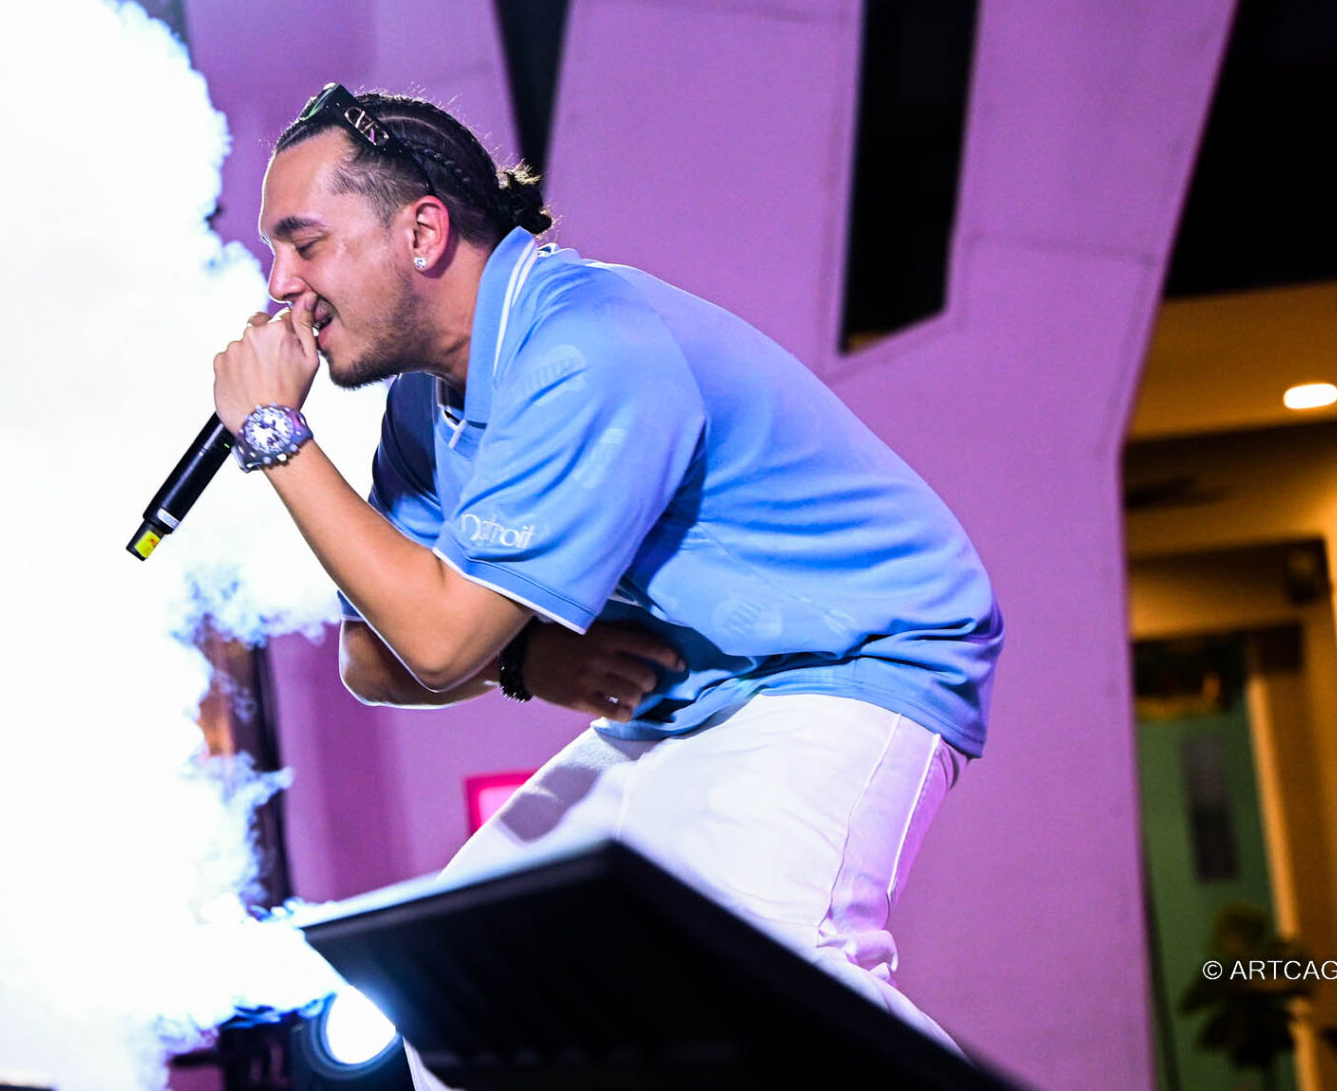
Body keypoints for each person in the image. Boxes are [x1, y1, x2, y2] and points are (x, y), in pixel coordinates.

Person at [210, 83, 1003, 1071]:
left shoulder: (586, 346)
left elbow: (438, 643)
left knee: (776, 978)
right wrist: (528, 662)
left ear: (421, 231)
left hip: (849, 655)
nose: (279, 283)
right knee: (461, 994)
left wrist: (276, 433)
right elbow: (372, 659)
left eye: (304, 242)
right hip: (689, 695)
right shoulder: (424, 403)